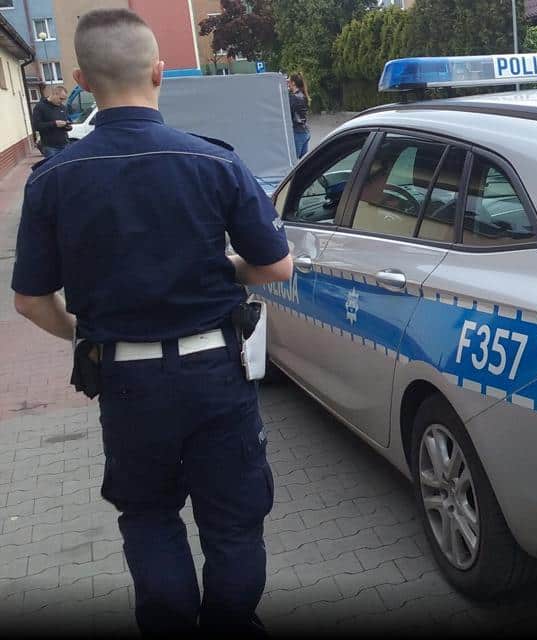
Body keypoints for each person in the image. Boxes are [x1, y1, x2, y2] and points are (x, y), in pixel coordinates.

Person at [11, 9, 292, 635]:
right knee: (234, 519)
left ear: (81, 78)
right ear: (160, 72)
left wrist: (85, 334)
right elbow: (277, 268)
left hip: (128, 383)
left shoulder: (53, 179)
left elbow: (30, 301)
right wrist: (228, 271)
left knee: (148, 516)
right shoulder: (214, 162)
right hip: (216, 373)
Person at [31, 85, 72, 158]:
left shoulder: (63, 107)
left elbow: (68, 121)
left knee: (66, 168)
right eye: (61, 98)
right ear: (54, 94)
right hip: (50, 147)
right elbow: (36, 126)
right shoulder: (40, 107)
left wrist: (68, 126)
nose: (62, 101)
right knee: (55, 168)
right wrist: (54, 124)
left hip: (65, 144)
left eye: (64, 99)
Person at [288, 73, 310, 158]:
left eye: (289, 81)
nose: (287, 83)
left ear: (293, 83)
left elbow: (288, 114)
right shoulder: (303, 95)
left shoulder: (294, 97)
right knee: (304, 163)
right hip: (305, 132)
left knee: (294, 163)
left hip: (297, 133)